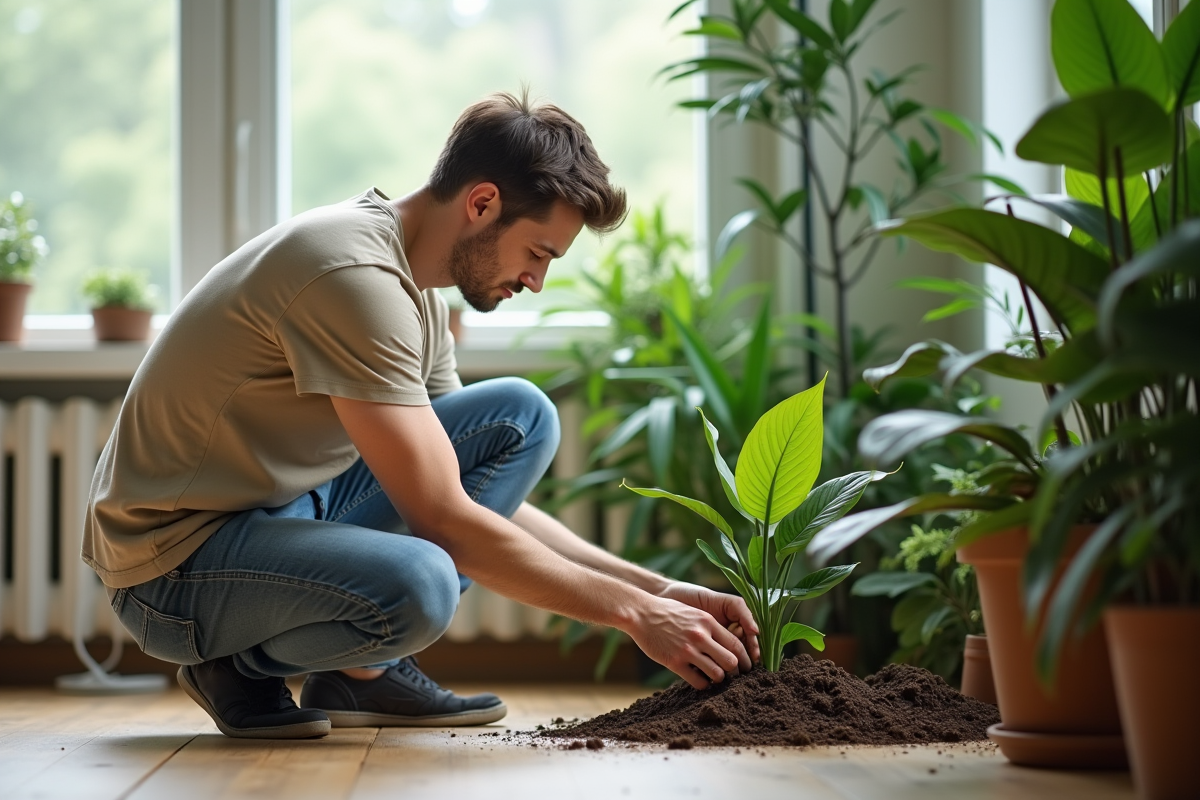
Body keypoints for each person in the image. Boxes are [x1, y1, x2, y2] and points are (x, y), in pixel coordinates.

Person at [83, 92, 760, 740]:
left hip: (281, 515)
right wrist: (637, 615)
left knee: (522, 416)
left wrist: (658, 588)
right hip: (172, 565)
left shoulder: (417, 293)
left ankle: (359, 676)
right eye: (538, 253)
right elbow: (445, 520)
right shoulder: (351, 275)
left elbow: (462, 495)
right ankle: (233, 664)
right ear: (483, 203)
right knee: (423, 582)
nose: (536, 281)